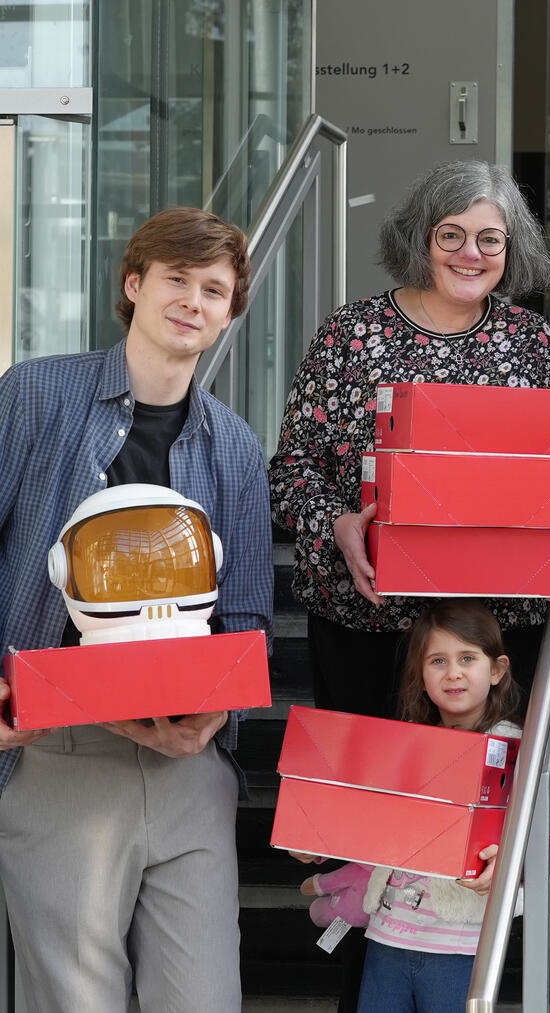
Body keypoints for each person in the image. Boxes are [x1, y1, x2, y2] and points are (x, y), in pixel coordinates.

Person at [268, 159, 550, 1008]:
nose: (470, 253)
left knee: (469, 831)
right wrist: (337, 520)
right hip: (368, 617)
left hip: (486, 626)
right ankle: (365, 993)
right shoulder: (351, 333)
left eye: (490, 238)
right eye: (451, 235)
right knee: (366, 826)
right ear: (419, 239)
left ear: (511, 251)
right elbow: (290, 471)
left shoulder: (529, 342)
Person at [0, 206, 273, 1010]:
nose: (194, 300)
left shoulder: (234, 444)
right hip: (61, 753)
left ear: (231, 311)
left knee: (203, 999)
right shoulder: (36, 394)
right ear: (134, 284)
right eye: (177, 279)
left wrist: (217, 722)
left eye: (214, 288)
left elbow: (250, 614)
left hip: (188, 767)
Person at [290, 599, 550, 1013]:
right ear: (422, 675)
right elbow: (369, 821)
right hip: (387, 937)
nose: (453, 672)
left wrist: (505, 862)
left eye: (468, 658)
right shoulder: (404, 743)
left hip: (460, 943)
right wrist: (317, 841)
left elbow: (545, 847)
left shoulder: (514, 751)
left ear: (497, 669)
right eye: (437, 661)